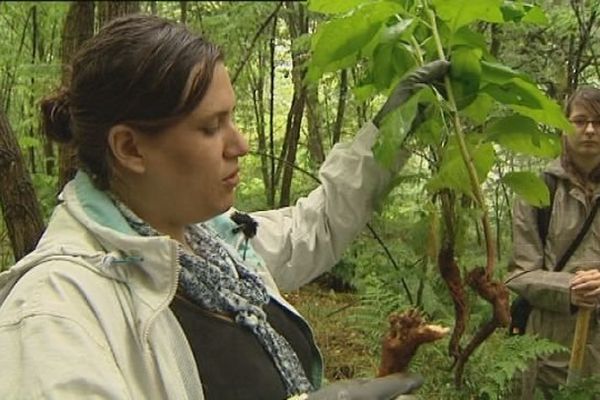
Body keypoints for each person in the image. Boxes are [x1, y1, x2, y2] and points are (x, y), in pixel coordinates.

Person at [0, 14, 448, 400]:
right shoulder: (55, 312)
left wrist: (390, 130)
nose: (241, 145)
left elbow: (318, 226)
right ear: (130, 147)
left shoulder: (213, 243)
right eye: (212, 127)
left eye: (232, 118)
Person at [506, 86, 600, 399]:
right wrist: (569, 288)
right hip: (549, 347)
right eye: (580, 120)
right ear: (564, 126)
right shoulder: (536, 190)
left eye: (598, 122)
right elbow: (520, 273)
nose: (590, 130)